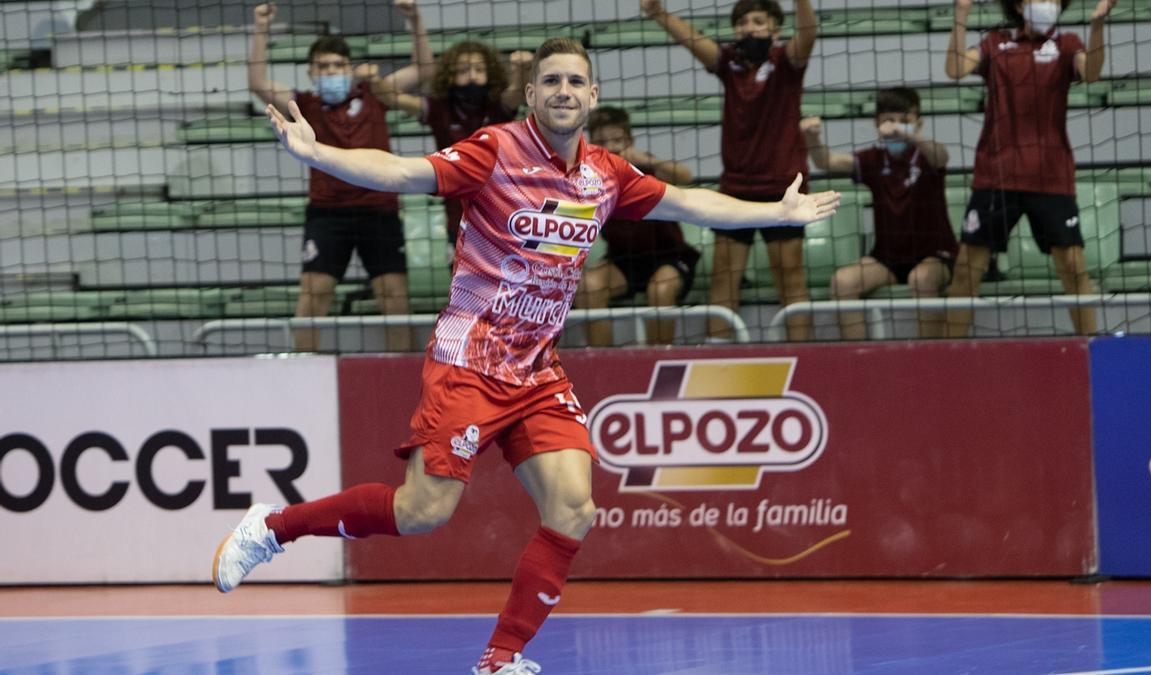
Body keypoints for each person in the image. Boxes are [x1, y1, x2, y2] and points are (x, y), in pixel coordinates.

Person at [212, 38, 839, 674]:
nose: (564, 90)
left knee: (574, 508)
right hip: (469, 361)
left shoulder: (606, 174)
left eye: (576, 81)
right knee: (422, 513)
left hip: (536, 370)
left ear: (592, 97)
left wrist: (777, 212)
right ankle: (275, 527)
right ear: (532, 93)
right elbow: (404, 172)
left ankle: (500, 657)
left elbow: (690, 202)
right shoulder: (495, 150)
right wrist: (319, 152)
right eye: (552, 81)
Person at [248, 0, 433, 352]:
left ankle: (403, 372)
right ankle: (304, 368)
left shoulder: (375, 94)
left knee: (394, 298)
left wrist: (415, 19)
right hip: (327, 212)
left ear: (349, 68)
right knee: (313, 295)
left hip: (378, 209)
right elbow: (257, 82)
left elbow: (423, 69)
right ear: (311, 73)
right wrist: (261, 27)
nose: (331, 71)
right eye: (323, 66)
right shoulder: (303, 104)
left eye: (338, 65)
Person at [642, 0, 819, 342]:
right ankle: (716, 352)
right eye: (741, 22)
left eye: (757, 21)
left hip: (784, 188)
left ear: (775, 29)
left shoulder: (786, 62)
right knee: (724, 277)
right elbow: (693, 41)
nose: (748, 28)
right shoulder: (730, 63)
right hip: (736, 188)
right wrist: (658, 13)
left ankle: (806, 356)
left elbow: (809, 33)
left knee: (791, 277)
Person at [944, 0, 1115, 336]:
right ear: (1020, 5)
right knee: (966, 271)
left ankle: (1092, 351)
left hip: (1050, 177)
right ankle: (951, 356)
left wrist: (1097, 26)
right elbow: (954, 68)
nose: (1046, 4)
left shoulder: (1067, 45)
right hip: (997, 175)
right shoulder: (995, 43)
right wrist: (961, 14)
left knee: (1073, 269)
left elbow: (1091, 72)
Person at [802, 87, 959, 339]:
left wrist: (907, 134)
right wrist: (812, 139)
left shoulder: (926, 155)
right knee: (842, 283)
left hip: (935, 255)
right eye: (888, 121)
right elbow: (826, 162)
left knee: (921, 280)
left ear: (918, 124)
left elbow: (942, 156)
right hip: (888, 258)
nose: (896, 127)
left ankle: (930, 355)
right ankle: (860, 361)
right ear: (877, 125)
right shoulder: (873, 160)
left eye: (904, 121)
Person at [367, 42, 533, 261]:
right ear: (450, 75)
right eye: (464, 70)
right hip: (458, 213)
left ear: (490, 74)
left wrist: (522, 68)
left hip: (501, 209)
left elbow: (517, 92)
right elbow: (393, 98)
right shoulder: (439, 108)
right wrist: (374, 80)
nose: (472, 76)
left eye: (479, 70)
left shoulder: (496, 105)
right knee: (462, 283)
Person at [576, 105, 700, 346]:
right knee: (588, 287)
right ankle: (602, 367)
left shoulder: (648, 169)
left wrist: (645, 160)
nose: (611, 147)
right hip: (624, 261)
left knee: (660, 290)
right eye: (602, 141)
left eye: (618, 140)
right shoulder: (591, 180)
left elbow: (686, 177)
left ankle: (658, 361)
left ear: (630, 141)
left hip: (669, 257)